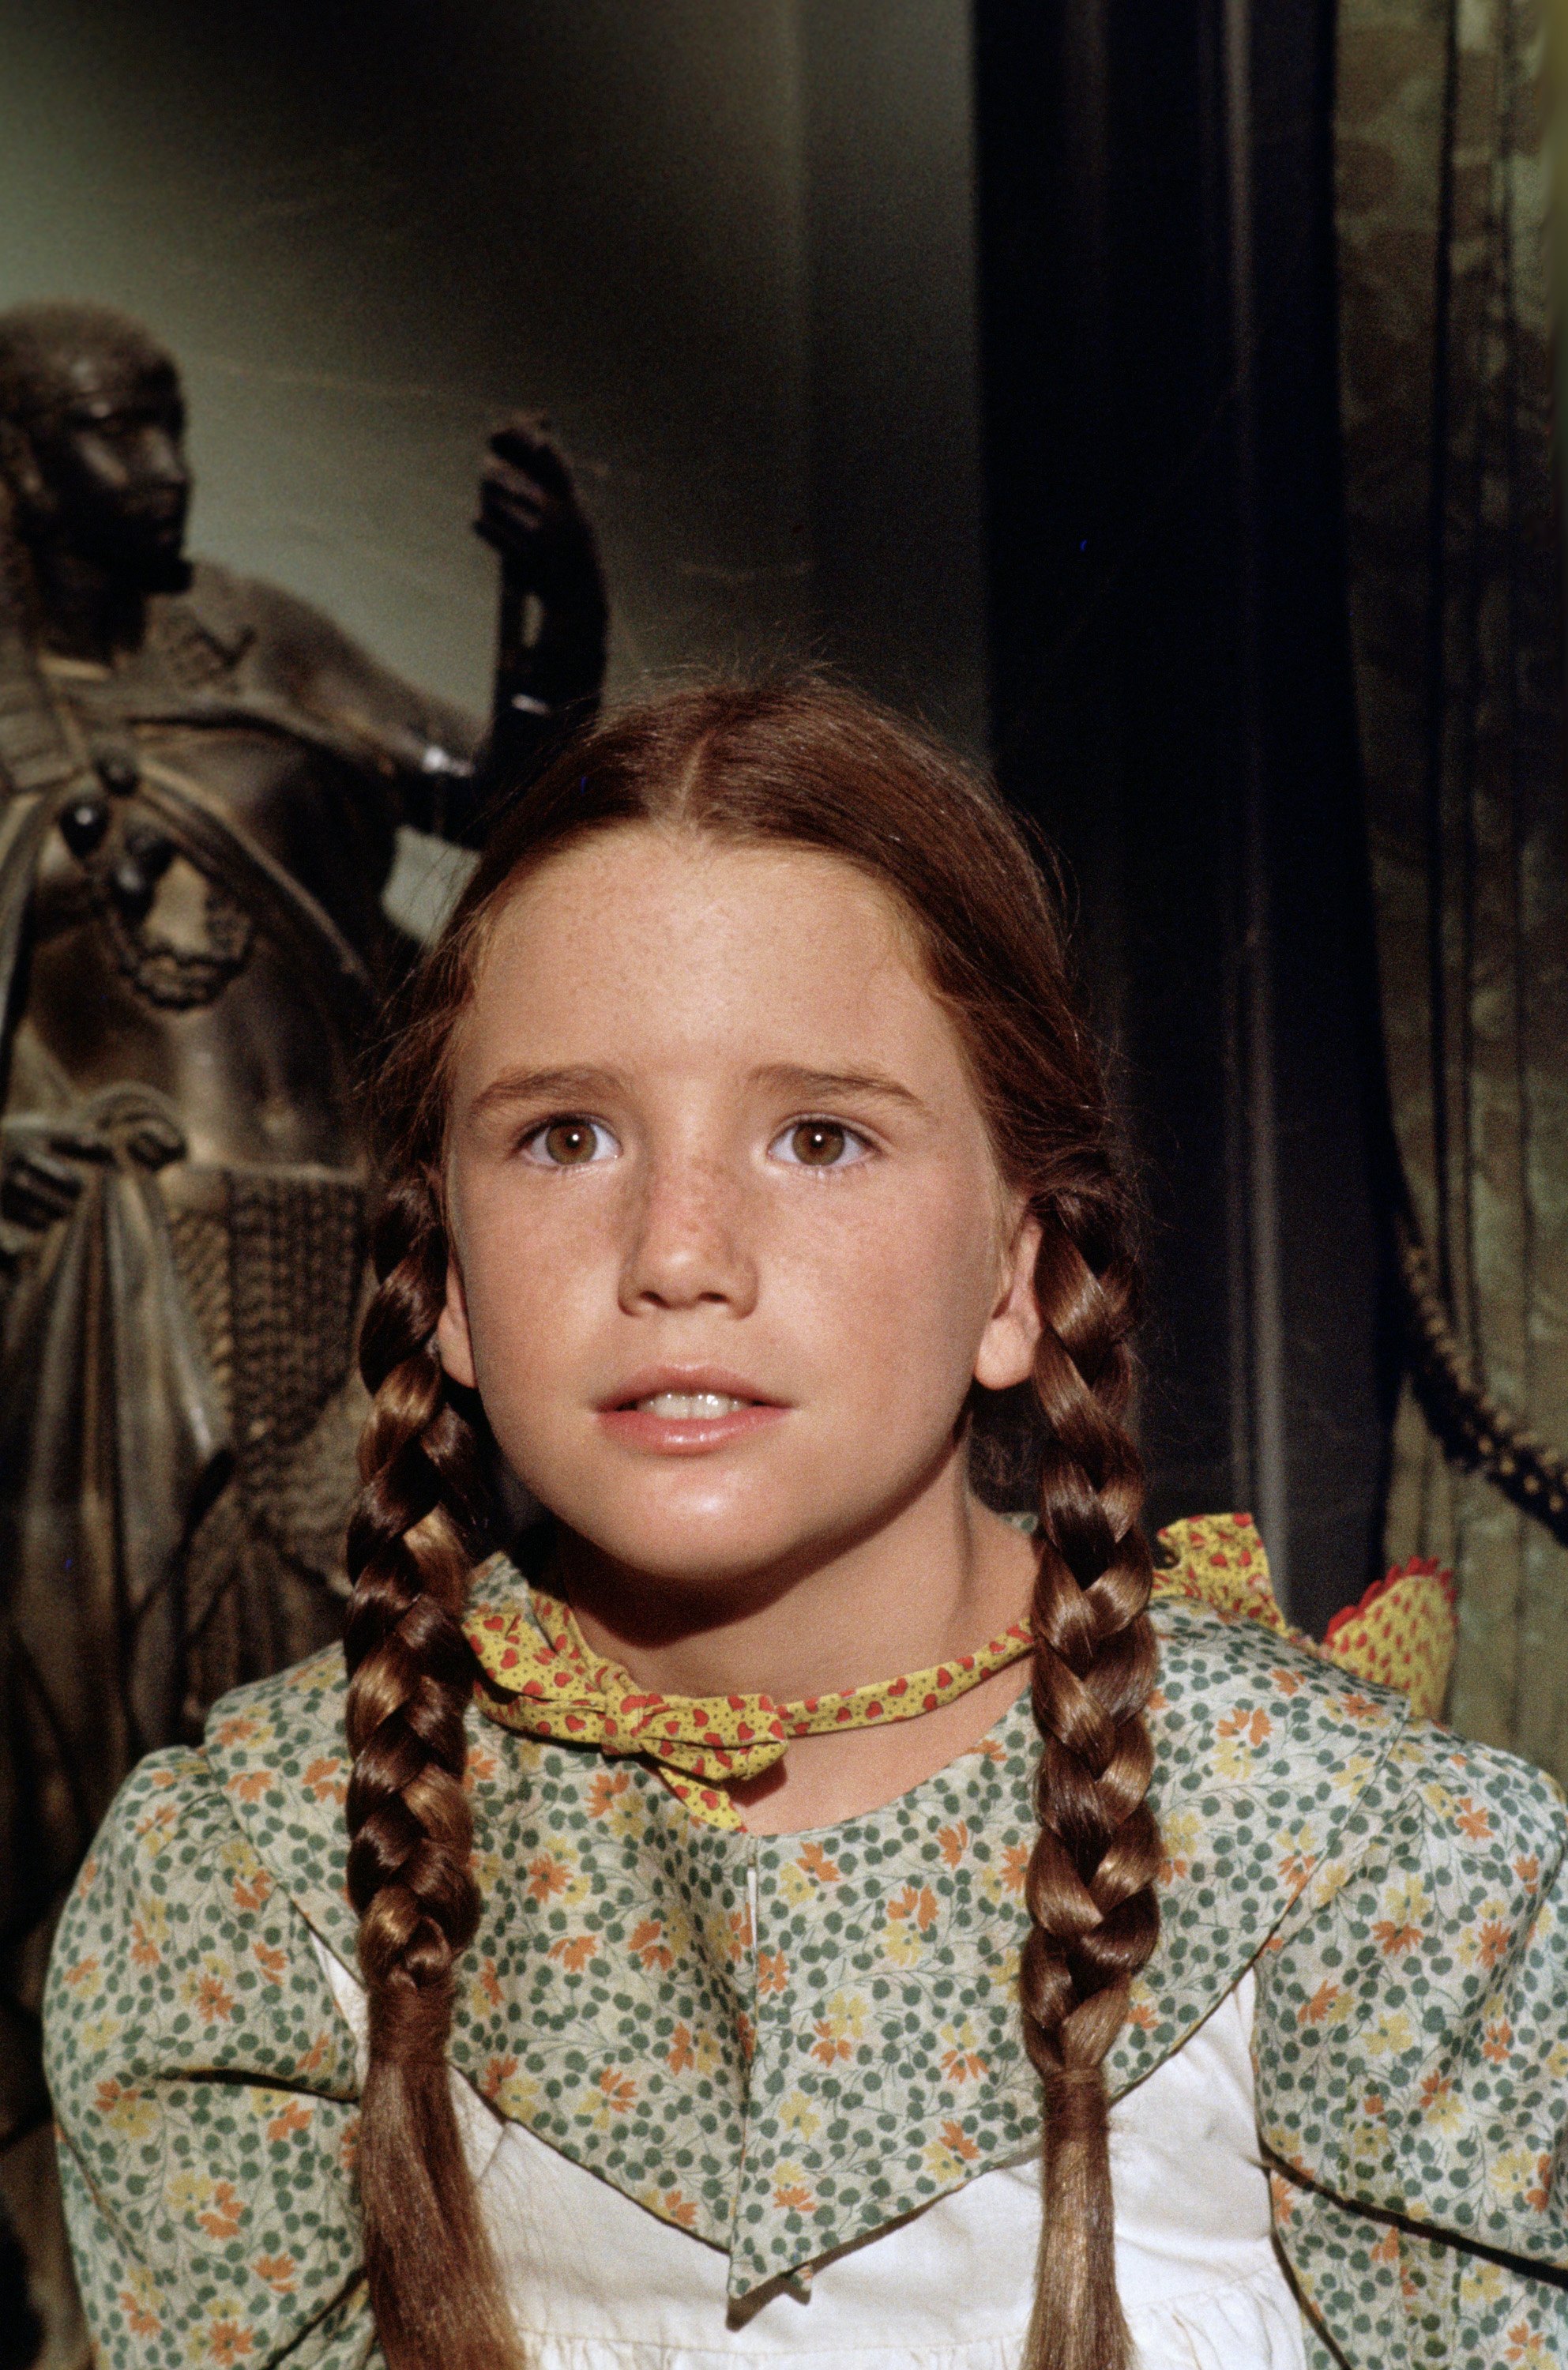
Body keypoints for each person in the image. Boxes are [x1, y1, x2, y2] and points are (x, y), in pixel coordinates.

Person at [43, 682, 1568, 2369]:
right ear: (448, 1286)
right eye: (565, 1136)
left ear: (1023, 1271)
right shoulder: (253, 1885)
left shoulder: (1357, 1861)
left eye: (820, 1136)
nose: (679, 1251)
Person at [0, 299, 605, 2363]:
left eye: (168, 412)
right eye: (105, 427)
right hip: (82, 1297)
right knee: (89, 1772)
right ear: (18, 462)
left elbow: (509, 790)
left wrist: (552, 599)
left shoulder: (262, 642)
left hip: (323, 1256)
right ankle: (97, 2262)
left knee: (365, 1752)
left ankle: (385, 2248)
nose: (155, 456)